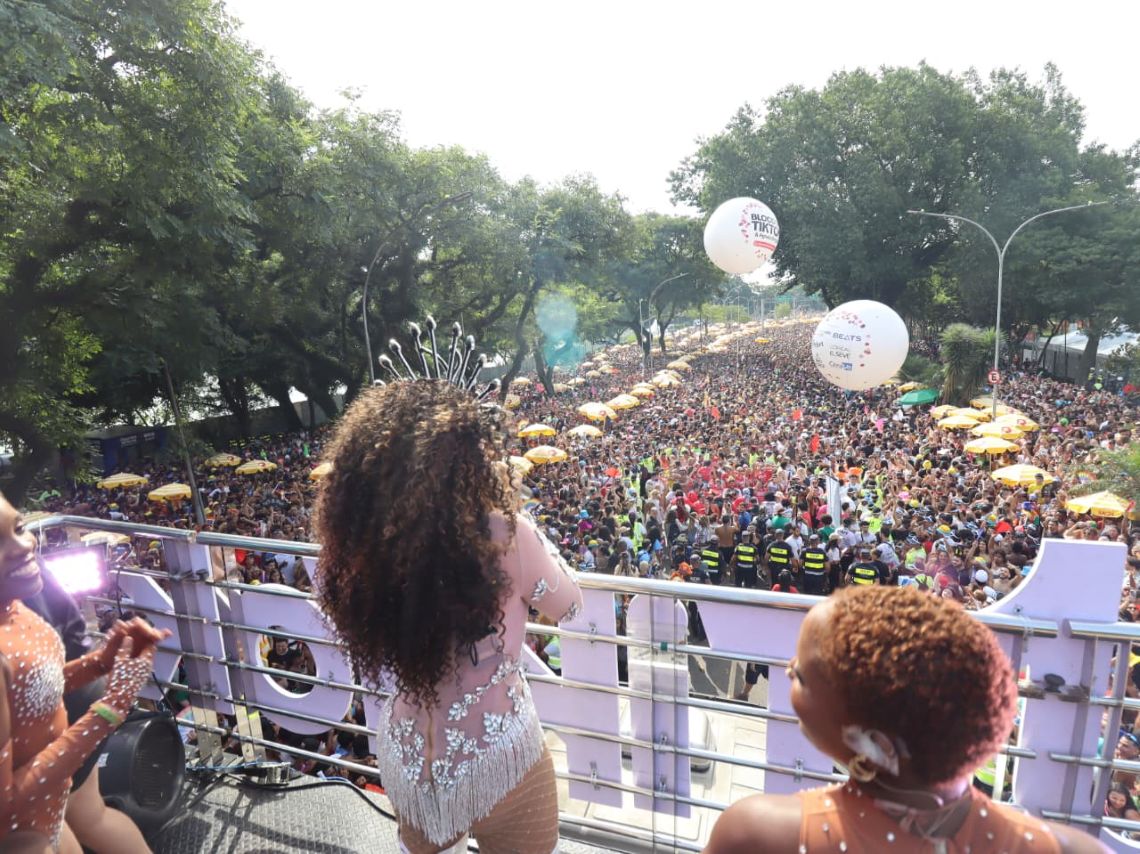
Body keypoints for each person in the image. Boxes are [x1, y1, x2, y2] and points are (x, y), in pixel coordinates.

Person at [312, 377, 583, 854]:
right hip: (499, 759)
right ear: (467, 460)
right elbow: (569, 603)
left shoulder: (362, 548)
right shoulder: (506, 535)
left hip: (407, 760)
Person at [704, 586, 1107, 853]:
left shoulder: (755, 833)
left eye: (803, 677)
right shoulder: (1075, 849)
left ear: (872, 746)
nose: (789, 668)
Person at [0, 489, 168, 854]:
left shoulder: (13, 608)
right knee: (83, 816)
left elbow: (38, 690)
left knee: (78, 817)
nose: (24, 546)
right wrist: (111, 707)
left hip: (46, 812)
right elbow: (8, 806)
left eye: (19, 527)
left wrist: (103, 660)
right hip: (19, 838)